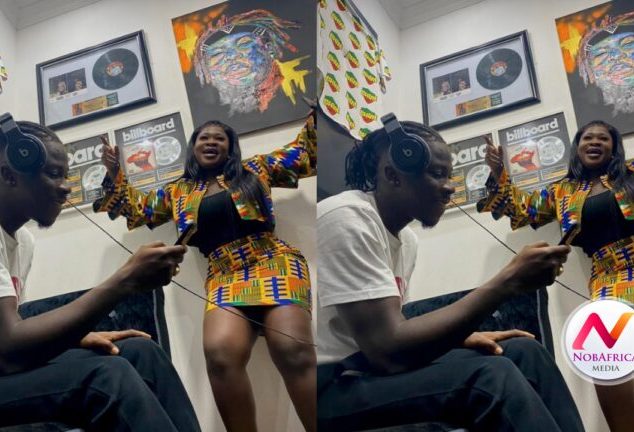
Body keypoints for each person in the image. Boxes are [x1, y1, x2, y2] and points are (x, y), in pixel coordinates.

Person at [316, 115, 584, 431]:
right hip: (333, 386)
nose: (450, 187)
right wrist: (507, 282)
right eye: (437, 174)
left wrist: (460, 338)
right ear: (392, 174)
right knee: (491, 378)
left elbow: (396, 326)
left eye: (449, 175)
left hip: (369, 369)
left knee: (526, 353)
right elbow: (387, 352)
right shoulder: (346, 218)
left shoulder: (407, 241)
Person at [96, 115, 317, 432]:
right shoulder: (178, 191)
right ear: (193, 147)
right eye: (204, 138)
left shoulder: (256, 169)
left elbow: (304, 153)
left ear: (230, 148)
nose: (211, 142)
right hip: (223, 274)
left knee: (292, 350)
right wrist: (114, 172)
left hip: (273, 261)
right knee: (220, 356)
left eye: (219, 138)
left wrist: (318, 116)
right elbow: (138, 208)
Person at [0, 117, 201, 432]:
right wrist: (125, 281)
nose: (66, 186)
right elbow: (9, 350)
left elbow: (11, 330)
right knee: (107, 378)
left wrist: (76, 338)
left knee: (142, 353)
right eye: (53, 174)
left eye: (65, 175)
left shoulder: (23, 242)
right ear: (9, 175)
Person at [479, 120, 634, 432]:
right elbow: (523, 210)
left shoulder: (630, 174)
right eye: (587, 138)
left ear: (614, 148)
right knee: (608, 359)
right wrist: (499, 173)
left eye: (603, 138)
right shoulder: (563, 191)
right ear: (577, 147)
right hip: (608, 277)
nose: (595, 142)